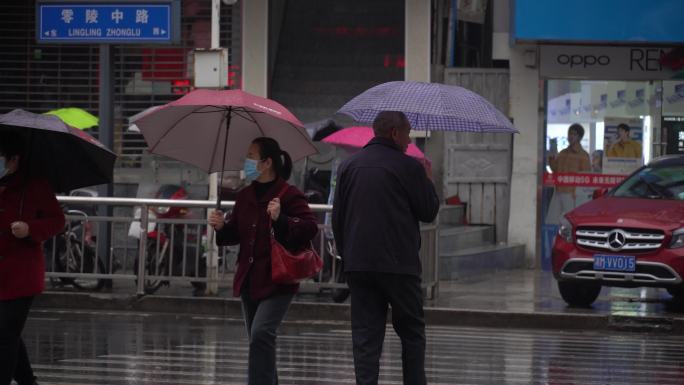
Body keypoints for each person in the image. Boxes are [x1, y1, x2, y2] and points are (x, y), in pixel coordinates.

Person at [332, 111, 439, 385]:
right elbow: (428, 211)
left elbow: (338, 219)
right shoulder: (410, 167)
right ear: (394, 133)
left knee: (366, 338)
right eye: (407, 133)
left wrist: (348, 257)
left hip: (360, 265)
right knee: (412, 334)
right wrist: (427, 179)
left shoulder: (349, 166)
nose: (408, 140)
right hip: (399, 266)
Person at [208, 137, 318, 385]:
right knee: (260, 343)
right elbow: (235, 233)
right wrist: (222, 227)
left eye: (251, 156)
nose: (246, 162)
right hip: (249, 280)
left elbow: (310, 228)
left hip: (278, 279)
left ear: (267, 163)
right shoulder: (244, 196)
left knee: (261, 335)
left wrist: (281, 219)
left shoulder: (288, 195)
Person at [0, 131, 65, 385]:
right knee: (8, 334)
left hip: (21, 276)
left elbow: (57, 221)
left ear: (15, 159)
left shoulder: (35, 186)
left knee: (5, 334)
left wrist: (30, 229)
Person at [545, 123, 591, 225]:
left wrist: (578, 193)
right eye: (569, 133)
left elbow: (586, 178)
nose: (570, 136)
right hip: (558, 191)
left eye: (573, 134)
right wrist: (551, 157)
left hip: (572, 194)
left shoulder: (583, 155)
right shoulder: (563, 153)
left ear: (579, 137)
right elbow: (555, 170)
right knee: (551, 220)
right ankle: (552, 240)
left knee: (570, 222)